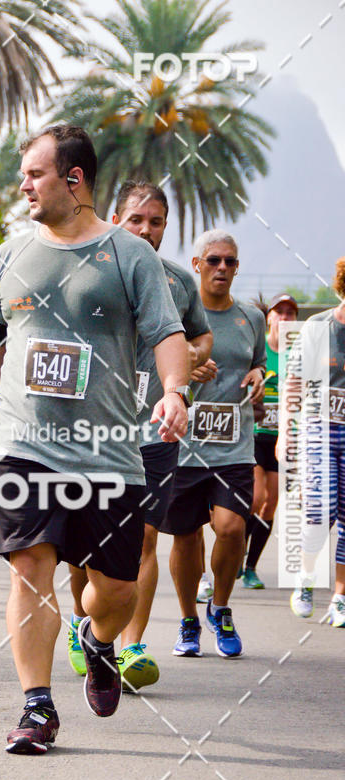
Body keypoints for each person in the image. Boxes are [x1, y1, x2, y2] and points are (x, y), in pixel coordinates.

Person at [0, 125, 190, 754]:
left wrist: (174, 391)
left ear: (73, 179)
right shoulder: (9, 255)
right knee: (30, 571)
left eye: (34, 173)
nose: (23, 185)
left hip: (108, 446)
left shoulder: (128, 254)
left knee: (113, 591)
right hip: (24, 444)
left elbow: (167, 333)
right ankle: (37, 706)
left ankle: (100, 639)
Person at [66, 180, 212, 691]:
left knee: (145, 535)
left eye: (156, 222)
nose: (146, 230)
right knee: (84, 543)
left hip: (154, 431)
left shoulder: (176, 282)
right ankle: (84, 623)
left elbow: (199, 332)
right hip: (93, 430)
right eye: (136, 220)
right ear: (116, 218)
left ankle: (129, 648)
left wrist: (188, 362)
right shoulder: (86, 272)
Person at [160, 229, 266, 658]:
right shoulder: (174, 318)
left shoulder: (252, 318)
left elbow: (258, 362)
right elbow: (154, 366)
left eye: (230, 262)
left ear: (237, 267)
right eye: (214, 260)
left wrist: (260, 374)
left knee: (231, 526)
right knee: (185, 538)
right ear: (197, 265)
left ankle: (220, 607)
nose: (222, 268)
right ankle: (188, 620)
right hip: (183, 445)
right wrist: (185, 368)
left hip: (234, 446)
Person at [285, 258, 345, 627]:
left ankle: (340, 595)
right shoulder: (318, 326)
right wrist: (287, 435)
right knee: (321, 508)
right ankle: (306, 578)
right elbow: (292, 382)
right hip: (319, 426)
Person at [241, 294, 298, 589]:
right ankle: (236, 553)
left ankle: (250, 567)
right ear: (270, 318)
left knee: (270, 503)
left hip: (282, 438)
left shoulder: (300, 353)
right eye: (280, 312)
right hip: (255, 434)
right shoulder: (258, 347)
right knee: (254, 498)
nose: (286, 318)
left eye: (291, 313)